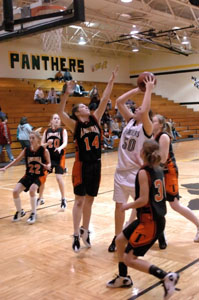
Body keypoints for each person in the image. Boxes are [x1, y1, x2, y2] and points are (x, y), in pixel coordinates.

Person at [107, 140, 180, 300]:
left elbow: (143, 199)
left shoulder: (143, 172)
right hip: (149, 218)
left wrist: (127, 206)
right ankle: (123, 278)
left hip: (150, 221)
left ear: (143, 153)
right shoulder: (158, 169)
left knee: (129, 258)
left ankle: (166, 276)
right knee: (120, 240)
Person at [58, 66, 118, 252]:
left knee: (90, 201)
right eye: (82, 107)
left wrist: (111, 81)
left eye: (86, 106)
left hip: (96, 165)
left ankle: (85, 230)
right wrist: (66, 94)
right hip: (81, 165)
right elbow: (61, 112)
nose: (86, 107)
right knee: (79, 201)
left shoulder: (95, 119)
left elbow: (105, 99)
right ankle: (76, 234)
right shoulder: (74, 125)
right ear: (77, 112)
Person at [108, 76, 155, 253]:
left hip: (137, 174)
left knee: (140, 208)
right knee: (119, 207)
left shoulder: (147, 128)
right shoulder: (130, 122)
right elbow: (119, 102)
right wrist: (139, 89)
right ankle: (117, 236)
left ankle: (136, 235)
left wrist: (149, 89)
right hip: (120, 172)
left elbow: (145, 111)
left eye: (141, 107)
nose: (137, 107)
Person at [152, 114, 199, 247]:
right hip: (159, 172)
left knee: (175, 204)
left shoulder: (164, 136)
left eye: (154, 121)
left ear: (160, 124)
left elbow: (162, 159)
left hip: (168, 172)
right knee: (153, 202)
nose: (151, 122)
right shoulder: (153, 136)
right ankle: (157, 234)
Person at [0, 130, 51, 224]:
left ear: (38, 140)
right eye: (30, 138)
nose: (30, 140)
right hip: (29, 174)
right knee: (15, 191)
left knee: (32, 190)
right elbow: (17, 160)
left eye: (33, 138)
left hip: (40, 175)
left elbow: (49, 163)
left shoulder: (44, 151)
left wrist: (48, 166)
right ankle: (20, 211)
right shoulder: (26, 150)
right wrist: (5, 167)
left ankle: (33, 213)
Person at [37, 114, 68, 210]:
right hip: (48, 158)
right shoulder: (47, 131)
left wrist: (60, 148)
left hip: (59, 158)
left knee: (59, 178)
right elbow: (42, 145)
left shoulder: (63, 130)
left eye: (58, 118)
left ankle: (63, 199)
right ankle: (40, 198)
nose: (57, 120)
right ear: (51, 120)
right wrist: (47, 143)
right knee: (42, 178)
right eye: (55, 118)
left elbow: (65, 142)